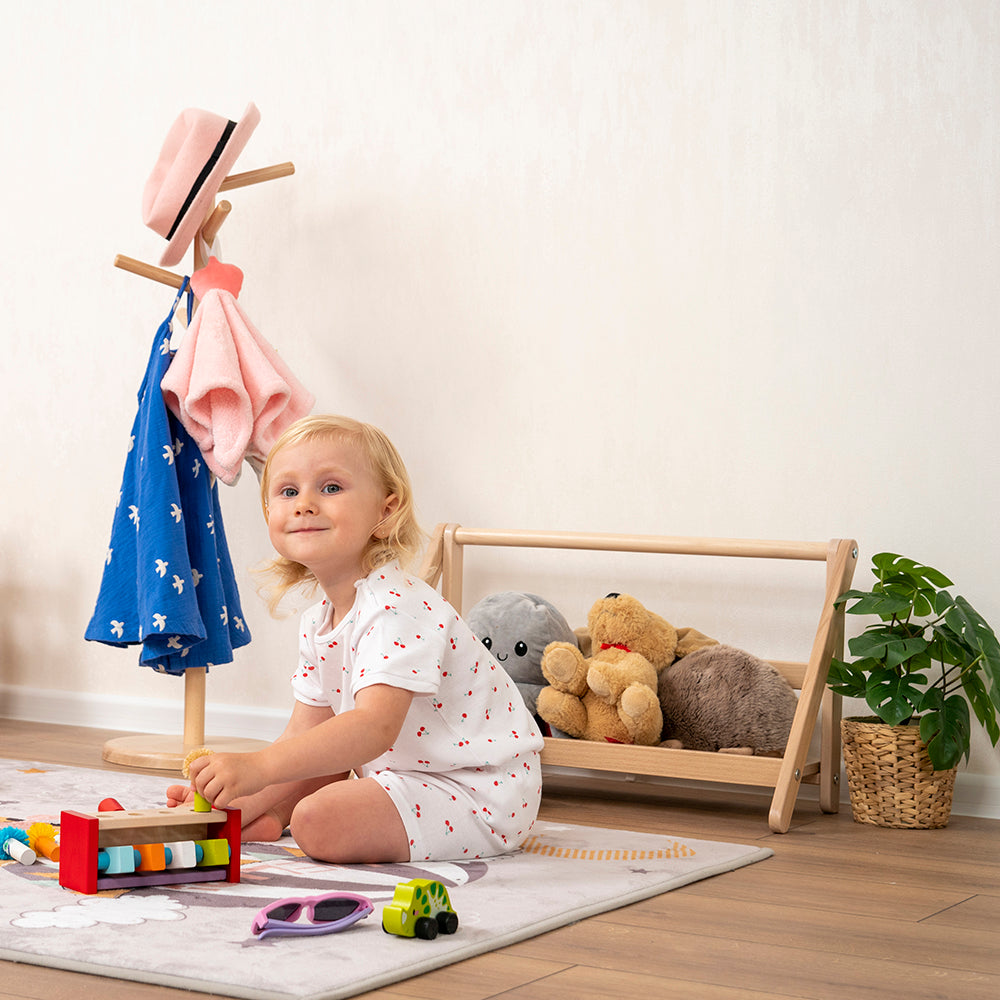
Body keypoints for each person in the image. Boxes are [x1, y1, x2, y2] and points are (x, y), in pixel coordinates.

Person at [167, 414, 543, 864]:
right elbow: (306, 733)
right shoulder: (318, 621)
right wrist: (239, 788)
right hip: (405, 775)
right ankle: (265, 816)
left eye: (330, 488)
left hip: (478, 788)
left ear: (385, 512)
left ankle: (286, 812)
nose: (305, 503)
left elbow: (372, 728)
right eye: (288, 491)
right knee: (272, 782)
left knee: (317, 821)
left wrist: (257, 768)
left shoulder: (397, 607)